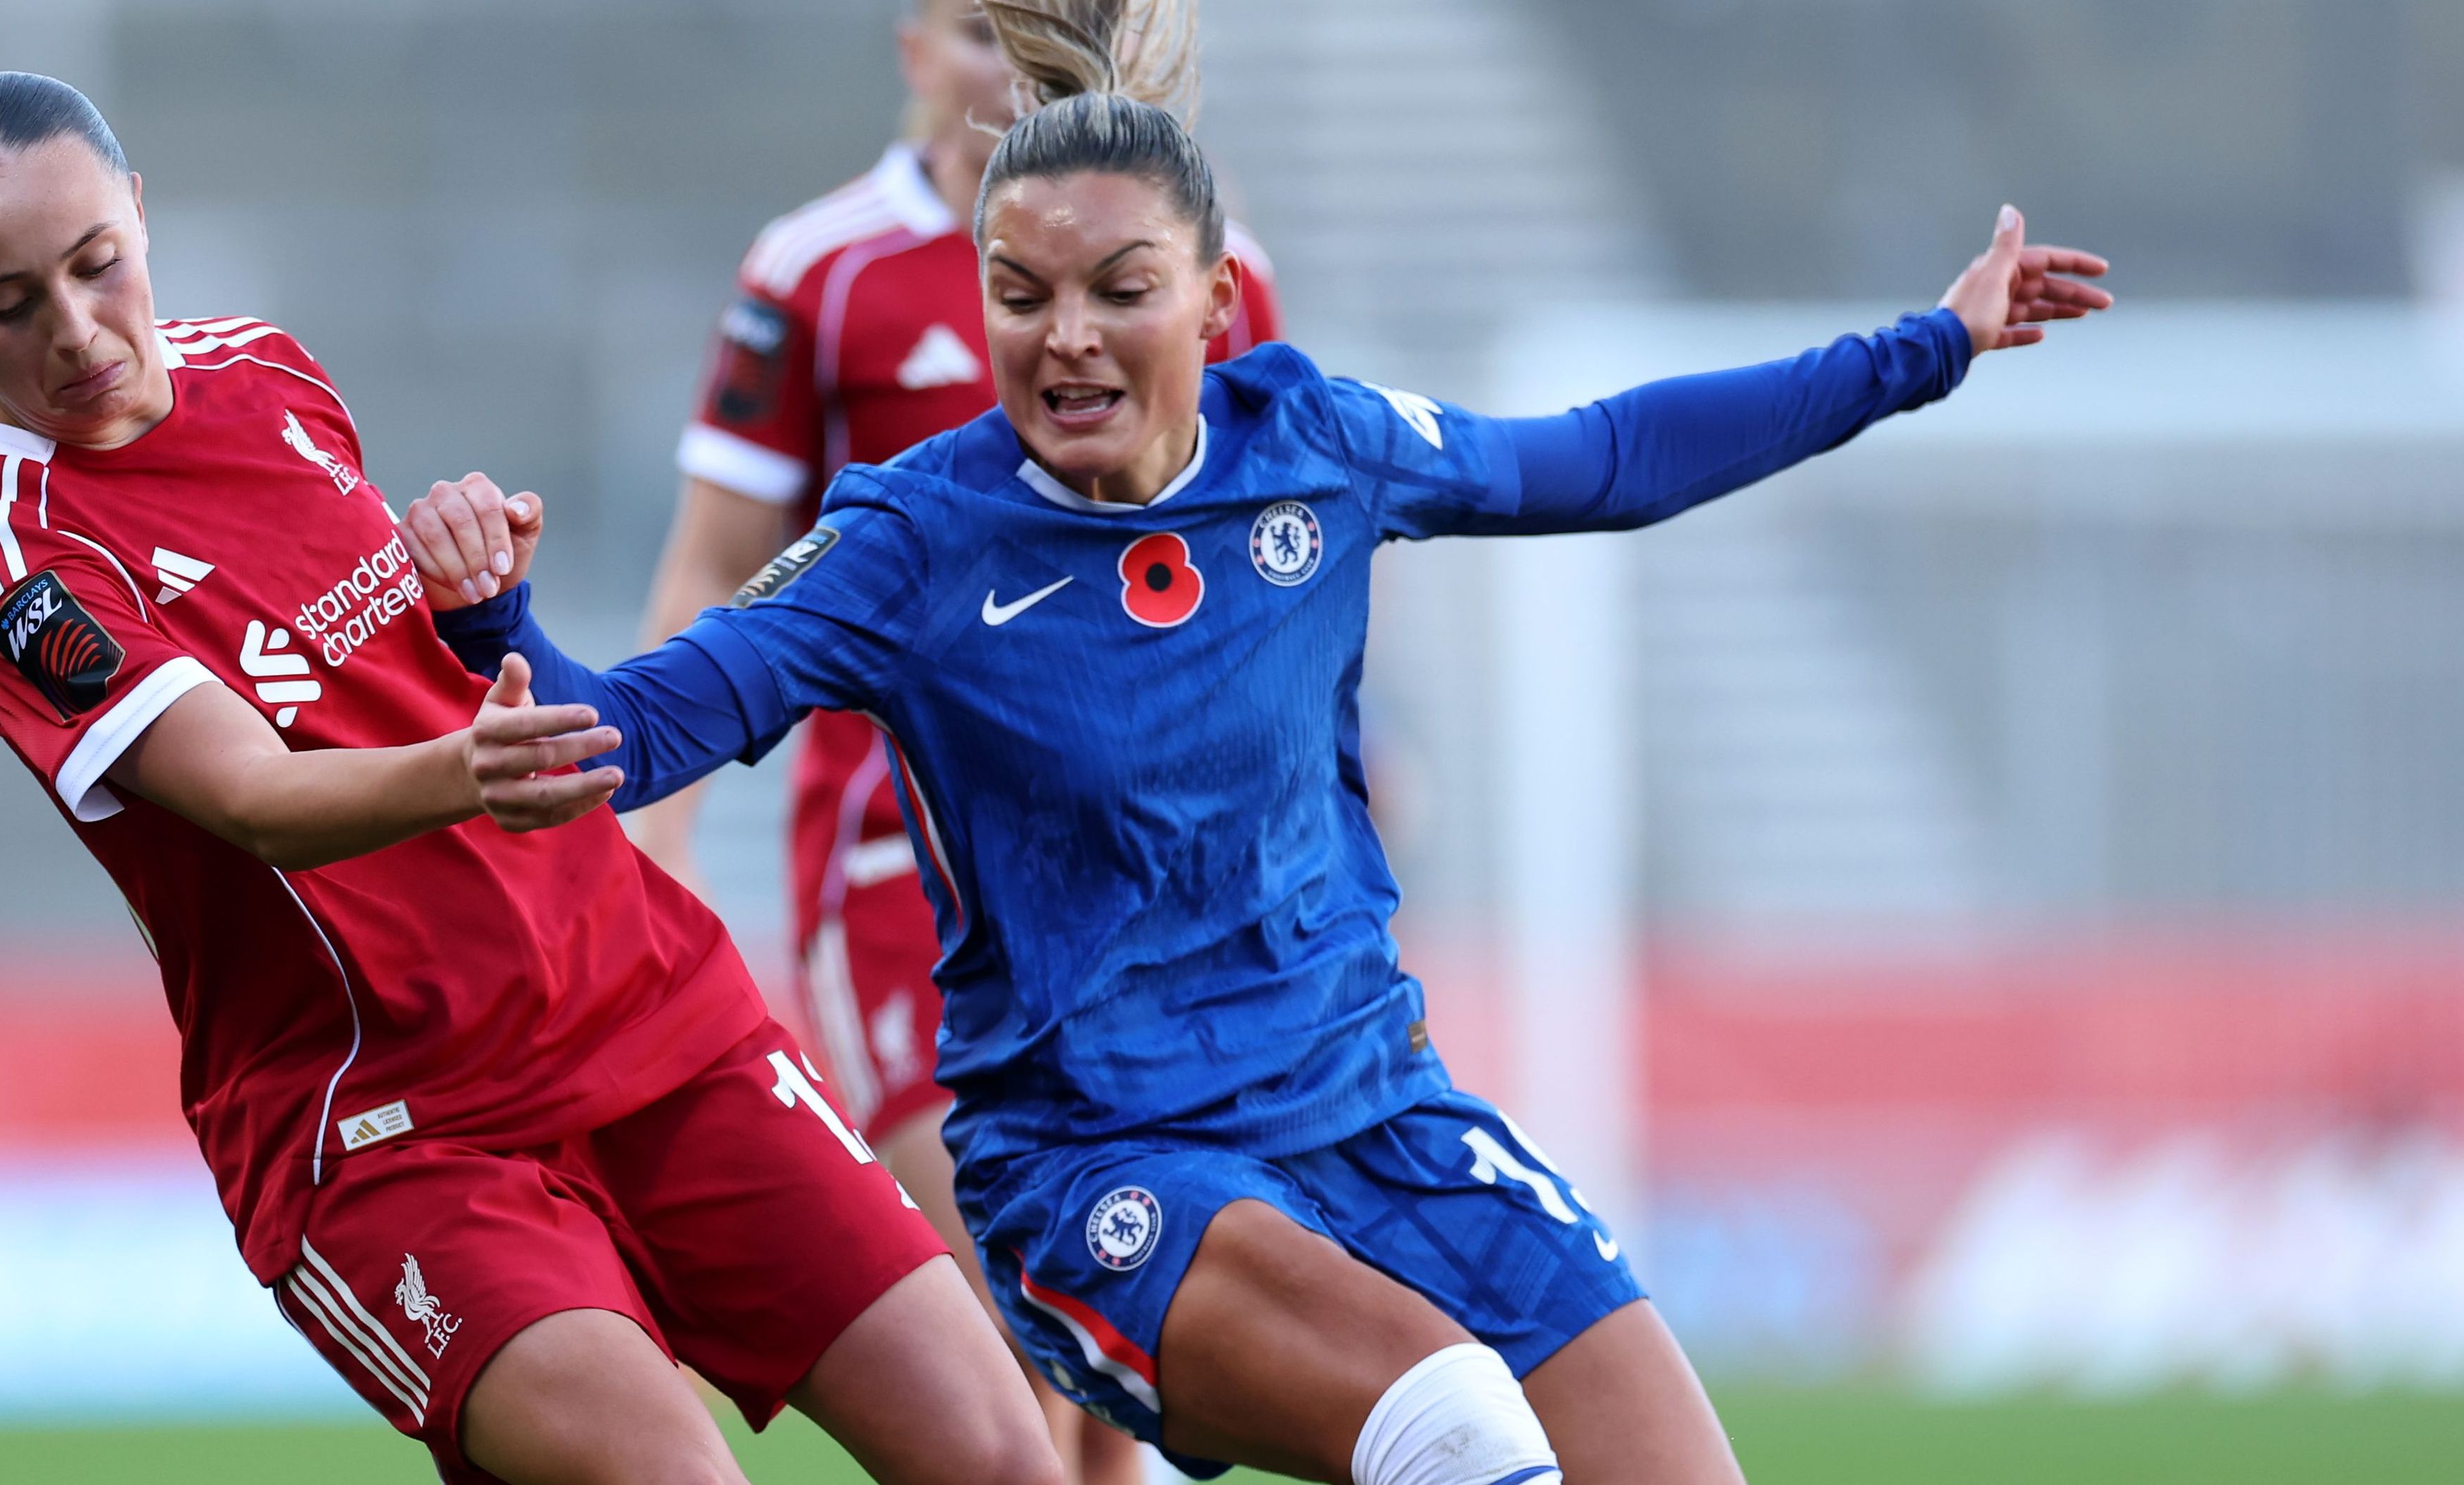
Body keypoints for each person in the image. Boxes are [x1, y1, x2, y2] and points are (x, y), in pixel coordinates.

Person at [407, 1, 2115, 1479]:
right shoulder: (910, 542)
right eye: (1020, 294)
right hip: (1104, 1169)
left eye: (1116, 289)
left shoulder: (1320, 445)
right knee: (1454, 1429)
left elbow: (1608, 455)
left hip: (1376, 1115)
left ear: (1218, 303)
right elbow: (624, 735)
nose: (1061, 335)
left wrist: (1927, 347)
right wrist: (495, 626)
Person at [0, 71, 1057, 1485]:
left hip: (639, 1000)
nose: (75, 331)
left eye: (94, 264)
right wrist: (473, 769)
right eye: (9, 305)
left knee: (1002, 1455)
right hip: (392, 1128)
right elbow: (255, 796)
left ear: (137, 212)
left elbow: (389, 664)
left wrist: (473, 599)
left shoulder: (263, 369)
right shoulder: (12, 559)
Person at [636, 4, 1278, 1478]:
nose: (1014, 63)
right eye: (988, 25)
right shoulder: (820, 270)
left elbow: (1279, 554)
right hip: (895, 860)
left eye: (1059, 23)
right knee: (997, 1336)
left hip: (1138, 870)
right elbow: (714, 561)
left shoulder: (1208, 259)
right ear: (915, 38)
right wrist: (658, 836)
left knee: (1123, 1366)